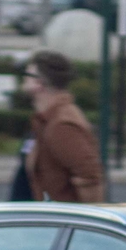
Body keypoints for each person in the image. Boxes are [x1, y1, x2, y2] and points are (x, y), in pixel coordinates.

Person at [17, 48, 104, 203]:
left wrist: (84, 219)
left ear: (39, 83)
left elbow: (89, 177)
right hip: (42, 217)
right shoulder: (45, 120)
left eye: (27, 75)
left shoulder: (62, 125)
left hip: (57, 221)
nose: (24, 79)